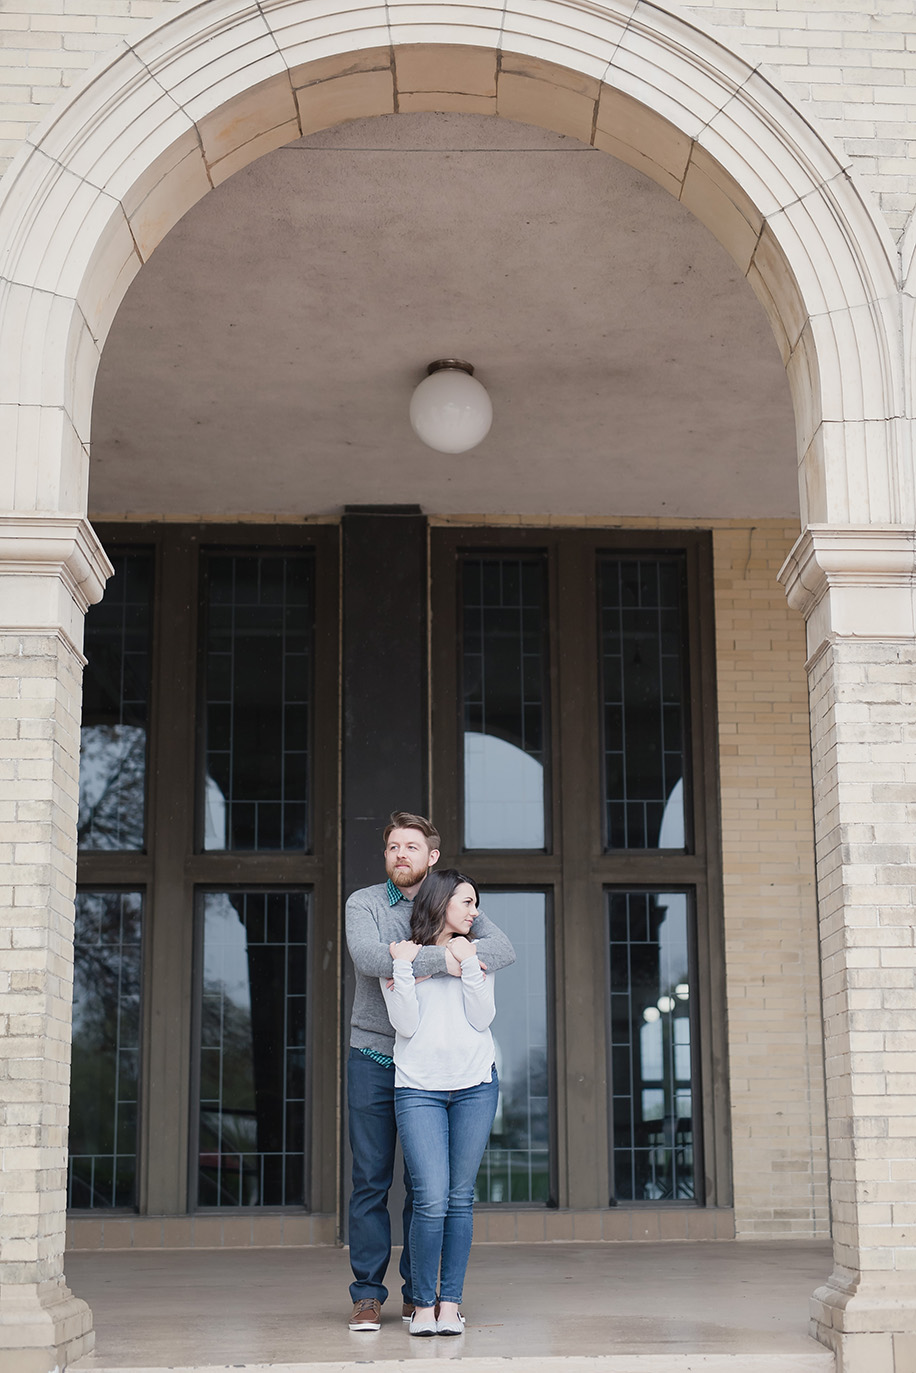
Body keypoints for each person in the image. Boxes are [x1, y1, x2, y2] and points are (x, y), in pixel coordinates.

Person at [345, 812, 515, 1331]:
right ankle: (369, 1295)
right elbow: (370, 956)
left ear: (431, 857)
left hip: (442, 1066)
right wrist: (451, 956)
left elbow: (501, 951)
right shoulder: (367, 902)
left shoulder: (453, 899)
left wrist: (427, 954)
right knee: (372, 1181)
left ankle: (421, 1297)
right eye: (393, 846)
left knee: (431, 1190)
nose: (401, 854)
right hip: (377, 1053)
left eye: (411, 847)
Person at [382, 869, 499, 1337]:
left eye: (475, 902)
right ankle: (422, 1304)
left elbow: (482, 1016)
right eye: (467, 902)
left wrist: (470, 963)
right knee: (430, 1199)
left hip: (475, 1084)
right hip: (418, 1089)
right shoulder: (405, 955)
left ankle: (450, 1303)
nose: (475, 912)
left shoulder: (477, 953)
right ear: (441, 902)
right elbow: (405, 1026)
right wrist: (405, 970)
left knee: (459, 1198)